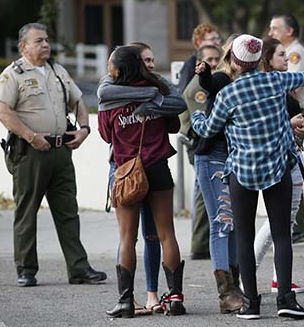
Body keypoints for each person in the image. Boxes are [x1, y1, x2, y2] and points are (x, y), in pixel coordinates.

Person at [191, 34, 304, 320]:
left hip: (242, 172)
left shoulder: (228, 94)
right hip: (277, 169)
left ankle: (251, 303)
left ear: (234, 62)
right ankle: (286, 299)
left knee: (245, 236)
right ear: (260, 59)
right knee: (281, 235)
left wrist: (197, 118)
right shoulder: (276, 81)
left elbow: (208, 129)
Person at [0, 22, 106, 287]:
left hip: (61, 151)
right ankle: (26, 269)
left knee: (68, 211)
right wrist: (31, 136)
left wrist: (85, 129)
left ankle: (78, 268)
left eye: (46, 40)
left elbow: (78, 101)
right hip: (30, 152)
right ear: (23, 46)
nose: (45, 45)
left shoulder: (57, 71)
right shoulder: (13, 75)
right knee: (27, 211)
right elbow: (2, 111)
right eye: (39, 41)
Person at [99, 46, 187, 318]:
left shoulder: (111, 99)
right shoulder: (158, 91)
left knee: (127, 238)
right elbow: (174, 126)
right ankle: (174, 298)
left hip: (127, 172)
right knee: (166, 234)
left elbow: (105, 135)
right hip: (158, 167)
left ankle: (126, 300)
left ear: (118, 69)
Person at [191, 39, 243, 313]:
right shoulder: (223, 77)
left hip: (234, 159)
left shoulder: (249, 80)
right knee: (222, 223)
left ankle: (235, 285)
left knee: (232, 224)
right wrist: (204, 74)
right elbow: (209, 85)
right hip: (212, 157)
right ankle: (226, 293)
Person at [254, 37, 304, 294]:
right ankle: (249, 276)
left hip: (290, 157)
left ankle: (278, 278)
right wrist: (293, 124)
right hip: (282, 161)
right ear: (267, 59)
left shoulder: (280, 85)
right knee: (280, 223)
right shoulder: (270, 87)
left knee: (284, 223)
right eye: (281, 55)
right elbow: (267, 128)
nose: (286, 59)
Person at [177, 23, 222, 261]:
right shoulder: (198, 85)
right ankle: (200, 244)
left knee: (207, 195)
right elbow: (201, 122)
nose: (215, 64)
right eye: (210, 60)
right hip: (201, 146)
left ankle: (202, 243)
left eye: (218, 59)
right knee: (204, 196)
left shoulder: (211, 81)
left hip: (208, 146)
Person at [268, 14, 304, 243]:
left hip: (293, 112)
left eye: (276, 28)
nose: (271, 33)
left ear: (290, 31)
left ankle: (297, 226)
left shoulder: (295, 53)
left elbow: (291, 84)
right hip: (285, 112)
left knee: (292, 169)